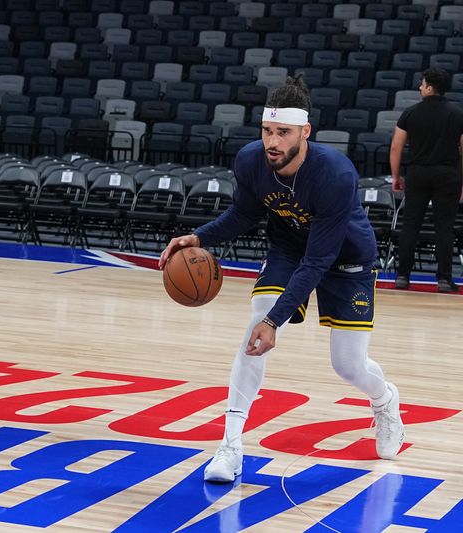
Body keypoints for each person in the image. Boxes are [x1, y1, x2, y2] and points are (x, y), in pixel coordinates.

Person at [159, 74, 405, 483]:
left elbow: (320, 258)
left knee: (348, 365)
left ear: (305, 132)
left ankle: (384, 399)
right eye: (267, 130)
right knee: (255, 326)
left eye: (283, 133)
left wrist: (277, 321)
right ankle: (230, 446)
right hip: (289, 249)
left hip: (346, 260)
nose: (272, 141)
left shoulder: (335, 174)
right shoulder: (251, 160)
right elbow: (243, 214)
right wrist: (198, 236)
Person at [390, 67, 463, 294]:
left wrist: (395, 176)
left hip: (418, 172)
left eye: (422, 84)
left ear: (430, 87)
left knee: (410, 224)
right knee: (445, 227)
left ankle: (402, 276)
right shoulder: (457, 113)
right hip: (447, 173)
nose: (420, 87)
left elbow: (396, 146)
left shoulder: (410, 113)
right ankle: (444, 279)